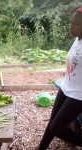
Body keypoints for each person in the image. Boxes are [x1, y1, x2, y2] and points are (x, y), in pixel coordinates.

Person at [38, 6, 82, 149]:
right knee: (52, 123)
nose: (71, 27)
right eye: (71, 22)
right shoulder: (78, 39)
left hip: (79, 93)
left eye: (76, 24)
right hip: (67, 86)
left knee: (56, 127)